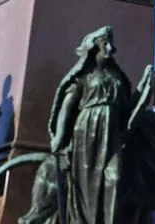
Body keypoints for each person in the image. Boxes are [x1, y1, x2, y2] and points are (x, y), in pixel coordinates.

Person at [48, 27, 139, 224]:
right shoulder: (84, 76)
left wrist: (143, 89)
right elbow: (67, 106)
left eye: (110, 43)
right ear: (93, 47)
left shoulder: (117, 76)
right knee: (88, 181)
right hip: (88, 129)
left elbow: (127, 107)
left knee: (114, 177)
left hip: (112, 132)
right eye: (105, 43)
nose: (110, 47)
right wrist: (59, 137)